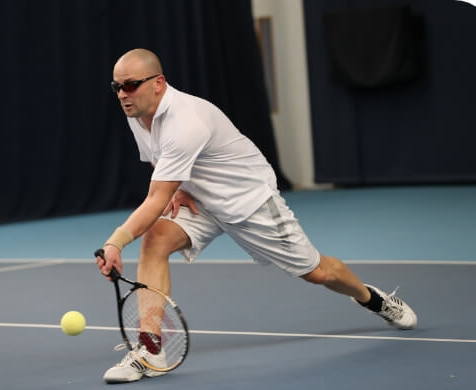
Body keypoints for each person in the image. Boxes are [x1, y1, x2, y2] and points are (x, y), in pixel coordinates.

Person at [96, 48, 417, 383]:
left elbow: (154, 199)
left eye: (130, 85)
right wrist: (180, 187)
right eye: (116, 87)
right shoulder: (138, 113)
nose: (122, 94)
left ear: (158, 83)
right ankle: (149, 350)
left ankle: (371, 299)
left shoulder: (184, 120)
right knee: (155, 239)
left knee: (317, 273)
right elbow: (159, 163)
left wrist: (115, 242)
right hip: (202, 200)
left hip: (250, 201)